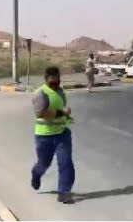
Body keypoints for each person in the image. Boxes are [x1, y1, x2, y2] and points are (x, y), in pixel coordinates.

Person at [31, 66, 76, 204]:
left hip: (62, 134)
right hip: (44, 136)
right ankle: (36, 173)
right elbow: (40, 113)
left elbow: (61, 109)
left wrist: (66, 117)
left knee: (66, 162)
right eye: (52, 82)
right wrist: (62, 112)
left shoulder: (61, 92)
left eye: (57, 82)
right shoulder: (40, 93)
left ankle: (64, 192)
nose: (55, 85)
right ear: (46, 80)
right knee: (44, 164)